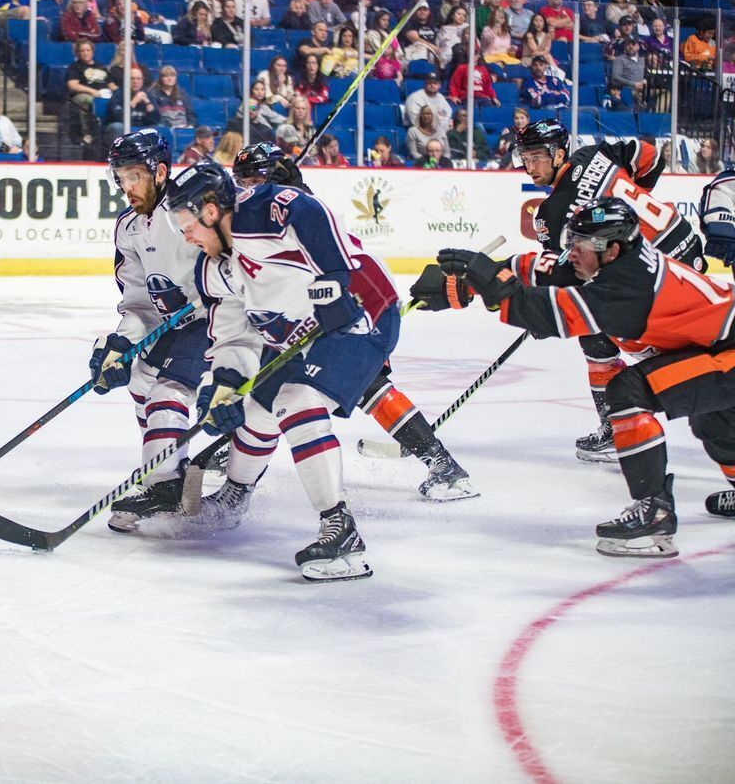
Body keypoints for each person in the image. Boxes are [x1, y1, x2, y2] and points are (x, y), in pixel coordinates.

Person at [422, 198, 735, 557]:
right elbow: (539, 269)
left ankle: (655, 514)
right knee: (714, 419)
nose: (570, 253)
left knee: (630, 390)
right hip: (717, 345)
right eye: (571, 242)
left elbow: (552, 315)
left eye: (579, 246)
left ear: (611, 250)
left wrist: (492, 282)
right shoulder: (605, 259)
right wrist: (467, 284)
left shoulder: (628, 288)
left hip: (728, 352)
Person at [160, 160, 392, 580]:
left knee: (295, 398)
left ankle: (341, 530)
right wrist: (223, 385)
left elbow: (307, 209)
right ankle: (234, 497)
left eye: (188, 226)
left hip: (360, 312)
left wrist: (334, 278)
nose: (186, 236)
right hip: (298, 336)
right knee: (256, 412)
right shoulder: (212, 270)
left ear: (210, 211)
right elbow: (233, 336)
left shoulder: (259, 210)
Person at [509, 119, 703, 462]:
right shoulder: (596, 154)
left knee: (603, 337)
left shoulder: (552, 214)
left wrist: (543, 314)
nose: (530, 166)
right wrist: (635, 205)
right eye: (525, 158)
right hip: (685, 246)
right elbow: (650, 156)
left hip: (656, 282)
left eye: (536, 156)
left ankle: (618, 429)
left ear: (559, 154)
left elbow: (570, 275)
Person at [94, 131, 211, 533]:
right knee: (140, 378)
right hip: (176, 325)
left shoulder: (192, 209)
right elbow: (141, 302)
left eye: (134, 176)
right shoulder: (128, 227)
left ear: (160, 172)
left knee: (167, 390)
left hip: (217, 320)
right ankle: (167, 467)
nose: (126, 187)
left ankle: (165, 484)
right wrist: (121, 343)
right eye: (120, 177)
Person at [65, 39, 111, 149]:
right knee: (87, 100)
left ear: (92, 52)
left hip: (104, 94)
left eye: (87, 50)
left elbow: (110, 83)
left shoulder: (101, 66)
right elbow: (73, 85)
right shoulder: (75, 67)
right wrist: (92, 91)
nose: (85, 53)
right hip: (83, 95)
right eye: (82, 51)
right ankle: (86, 133)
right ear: (78, 53)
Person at [104, 67, 160, 144]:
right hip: (122, 125)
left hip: (140, 126)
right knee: (117, 127)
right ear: (126, 80)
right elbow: (117, 117)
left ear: (142, 81)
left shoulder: (147, 95)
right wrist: (134, 102)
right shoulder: (118, 94)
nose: (135, 81)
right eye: (132, 78)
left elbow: (156, 120)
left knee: (160, 128)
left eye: (138, 79)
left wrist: (148, 104)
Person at [609, 35, 646, 109]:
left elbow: (646, 75)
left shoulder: (642, 60)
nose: (630, 47)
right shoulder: (620, 59)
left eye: (633, 44)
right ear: (625, 46)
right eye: (628, 44)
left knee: (664, 93)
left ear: (638, 46)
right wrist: (633, 84)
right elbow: (615, 76)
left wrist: (645, 81)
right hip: (629, 89)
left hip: (644, 89)